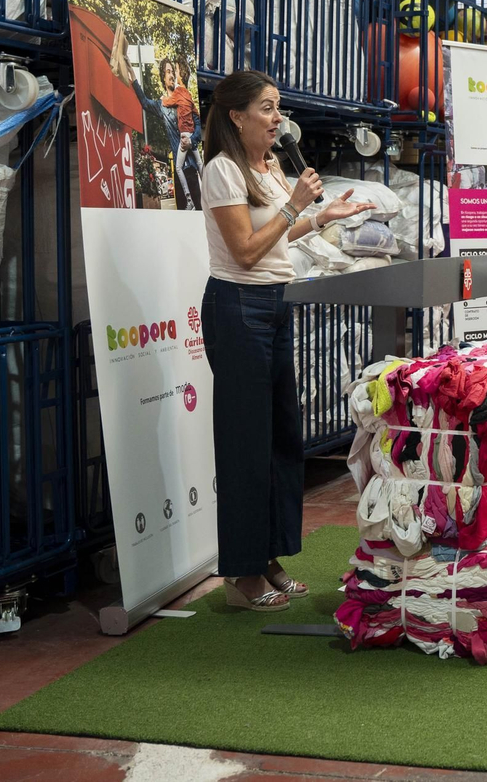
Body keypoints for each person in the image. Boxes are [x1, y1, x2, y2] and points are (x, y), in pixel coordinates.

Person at [200, 71, 374, 610]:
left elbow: (278, 236)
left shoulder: (270, 165)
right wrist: (296, 206)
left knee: (281, 440)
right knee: (245, 445)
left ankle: (268, 558)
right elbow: (246, 250)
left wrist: (322, 216)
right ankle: (241, 575)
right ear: (237, 116)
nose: (278, 119)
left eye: (279, 108)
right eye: (267, 108)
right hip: (238, 307)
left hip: (275, 306)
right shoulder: (222, 169)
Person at [131, 56, 202, 210]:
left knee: (200, 213)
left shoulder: (184, 96)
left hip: (191, 169)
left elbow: (198, 124)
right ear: (163, 78)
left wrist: (192, 140)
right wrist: (133, 78)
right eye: (168, 72)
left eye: (173, 71)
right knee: (182, 214)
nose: (172, 75)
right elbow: (144, 102)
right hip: (179, 171)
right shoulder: (161, 106)